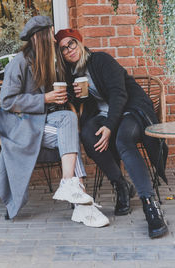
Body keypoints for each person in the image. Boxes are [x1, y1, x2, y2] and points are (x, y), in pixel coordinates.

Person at [0, 16, 109, 228]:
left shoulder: (44, 61)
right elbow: (7, 101)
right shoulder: (18, 63)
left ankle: (70, 185)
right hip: (20, 125)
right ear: (39, 38)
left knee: (67, 119)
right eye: (51, 35)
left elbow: (54, 96)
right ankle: (82, 205)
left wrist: (64, 95)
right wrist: (44, 98)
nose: (55, 41)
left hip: (39, 120)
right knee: (70, 135)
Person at [55, 28, 169, 239]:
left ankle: (150, 205)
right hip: (104, 114)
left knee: (123, 138)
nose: (68, 50)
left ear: (79, 43)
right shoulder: (72, 75)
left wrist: (109, 126)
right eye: (63, 49)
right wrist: (76, 96)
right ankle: (121, 185)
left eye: (71, 44)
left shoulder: (101, 60)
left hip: (131, 109)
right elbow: (87, 106)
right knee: (88, 134)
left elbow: (119, 94)